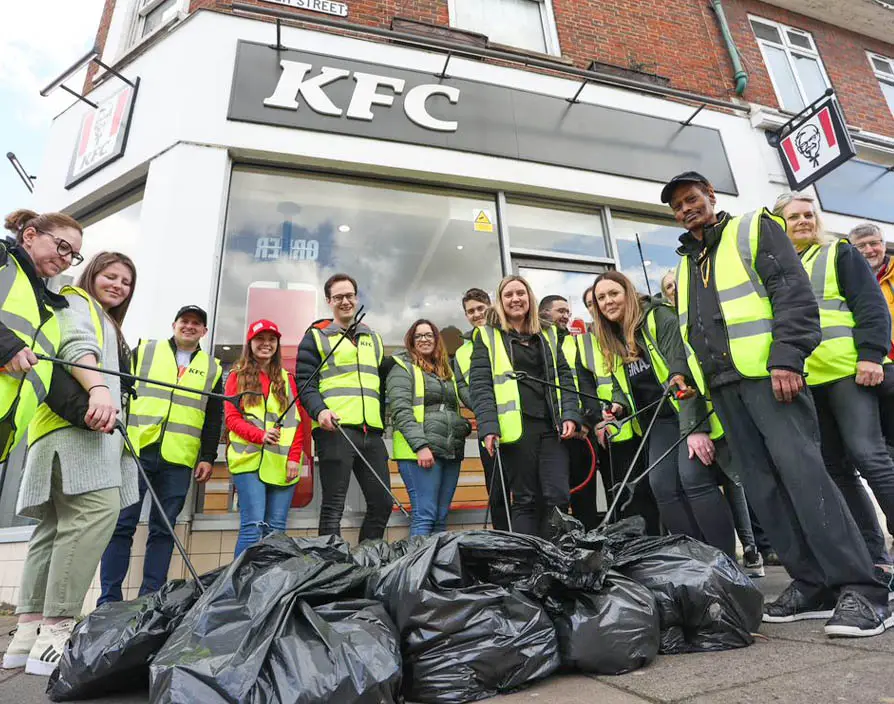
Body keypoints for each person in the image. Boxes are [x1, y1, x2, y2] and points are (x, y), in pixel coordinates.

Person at [664, 170, 891, 637]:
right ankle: (812, 584)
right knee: (764, 489)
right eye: (678, 206)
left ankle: (864, 589)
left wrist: (787, 357)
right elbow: (696, 329)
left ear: (711, 195)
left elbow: (793, 294)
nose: (687, 209)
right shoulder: (689, 261)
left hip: (771, 378)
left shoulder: (752, 228)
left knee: (808, 478)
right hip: (724, 388)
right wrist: (688, 375)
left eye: (692, 199)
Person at [5, 251, 139, 675]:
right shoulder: (78, 300)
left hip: (53, 432)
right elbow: (79, 347)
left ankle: (28, 635)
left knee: (54, 529)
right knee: (93, 514)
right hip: (79, 433)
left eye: (126, 281)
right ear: (92, 274)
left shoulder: (98, 315)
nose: (118, 285)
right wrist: (100, 394)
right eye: (110, 275)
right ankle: (58, 629)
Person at [775, 192, 894, 573]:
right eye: (794, 217)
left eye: (809, 215)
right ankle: (876, 557)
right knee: (836, 469)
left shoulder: (839, 253)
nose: (804, 221)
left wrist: (871, 355)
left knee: (870, 456)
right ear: (780, 225)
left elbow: (871, 305)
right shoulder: (776, 268)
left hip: (848, 372)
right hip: (808, 382)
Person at [589, 271, 737, 557]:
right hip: (657, 421)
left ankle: (725, 563)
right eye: (601, 298)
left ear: (628, 293)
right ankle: (693, 560)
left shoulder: (659, 318)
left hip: (686, 411)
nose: (608, 301)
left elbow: (686, 372)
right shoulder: (611, 337)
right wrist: (618, 406)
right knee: (662, 487)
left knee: (694, 480)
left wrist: (695, 429)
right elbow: (624, 384)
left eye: (613, 293)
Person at [97, 305, 224, 605]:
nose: (190, 327)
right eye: (185, 321)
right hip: (137, 451)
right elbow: (120, 391)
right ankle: (109, 599)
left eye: (196, 324)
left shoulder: (212, 367)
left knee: (164, 529)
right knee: (122, 524)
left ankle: (150, 598)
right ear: (174, 324)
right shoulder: (145, 351)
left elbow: (213, 416)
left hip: (179, 459)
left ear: (204, 331)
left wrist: (207, 455)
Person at [468, 275, 581, 537]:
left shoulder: (549, 334)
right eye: (508, 295)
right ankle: (528, 563)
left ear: (529, 297)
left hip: (552, 426)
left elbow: (564, 375)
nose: (515, 299)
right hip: (516, 431)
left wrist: (571, 414)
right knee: (525, 499)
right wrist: (488, 427)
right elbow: (481, 386)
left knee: (558, 496)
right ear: (500, 301)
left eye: (520, 293)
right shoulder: (486, 336)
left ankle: (556, 557)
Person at [297, 273, 393, 540]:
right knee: (333, 507)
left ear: (357, 298)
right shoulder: (316, 338)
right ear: (329, 301)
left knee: (383, 504)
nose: (345, 301)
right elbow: (305, 384)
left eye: (349, 295)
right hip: (335, 431)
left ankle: (367, 561)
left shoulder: (373, 339)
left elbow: (381, 384)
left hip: (371, 433)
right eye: (338, 297)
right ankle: (332, 569)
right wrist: (320, 411)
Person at [0, 210, 83, 464]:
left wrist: (87, 412)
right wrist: (7, 346)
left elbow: (48, 375)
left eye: (74, 255)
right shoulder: (3, 260)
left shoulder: (48, 311)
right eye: (63, 246)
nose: (67, 259)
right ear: (30, 235)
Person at [226, 319, 306, 556]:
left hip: (282, 464)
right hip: (248, 462)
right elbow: (231, 418)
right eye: (260, 339)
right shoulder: (236, 376)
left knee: (276, 531)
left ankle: (270, 588)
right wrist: (260, 435)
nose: (266, 344)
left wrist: (294, 457)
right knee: (253, 528)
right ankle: (239, 588)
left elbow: (298, 422)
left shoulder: (287, 379)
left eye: (272, 340)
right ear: (250, 343)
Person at [387, 319, 471, 536]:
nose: (424, 339)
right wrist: (421, 446)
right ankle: (417, 569)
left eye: (429, 335)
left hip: (449, 451)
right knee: (425, 515)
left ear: (436, 339)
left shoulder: (446, 372)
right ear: (411, 341)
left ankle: (435, 568)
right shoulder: (402, 368)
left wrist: (462, 427)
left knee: (441, 517)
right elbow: (401, 411)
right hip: (419, 453)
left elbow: (454, 407)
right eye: (419, 336)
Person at [539, 294, 599, 531]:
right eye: (560, 311)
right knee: (556, 501)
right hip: (553, 435)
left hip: (581, 433)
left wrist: (583, 421)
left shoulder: (577, 342)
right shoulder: (538, 342)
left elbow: (585, 383)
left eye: (568, 311)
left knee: (585, 501)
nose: (566, 316)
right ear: (545, 314)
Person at [452, 287, 509, 531]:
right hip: (488, 426)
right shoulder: (462, 352)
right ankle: (504, 541)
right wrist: (484, 409)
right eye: (470, 311)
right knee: (496, 490)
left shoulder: (506, 336)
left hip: (517, 422)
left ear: (490, 306)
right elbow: (462, 388)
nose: (476, 314)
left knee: (524, 491)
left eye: (480, 308)